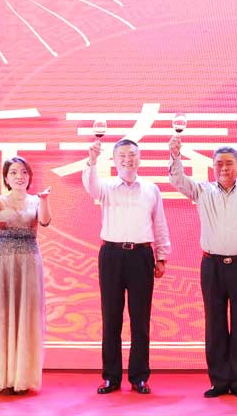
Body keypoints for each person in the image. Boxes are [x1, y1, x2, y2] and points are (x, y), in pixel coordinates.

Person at [168, 134, 237, 399]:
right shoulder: (202, 191)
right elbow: (178, 180)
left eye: (228, 163)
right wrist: (175, 156)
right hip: (211, 265)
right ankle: (218, 380)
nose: (223, 168)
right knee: (214, 323)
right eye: (219, 164)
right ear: (213, 166)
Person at [83, 139, 170, 395]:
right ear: (114, 159)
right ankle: (111, 377)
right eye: (121, 155)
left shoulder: (151, 189)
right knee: (111, 317)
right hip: (111, 254)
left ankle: (139, 376)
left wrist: (162, 256)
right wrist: (91, 161)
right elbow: (90, 187)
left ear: (139, 158)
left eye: (132, 155)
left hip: (141, 255)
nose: (127, 160)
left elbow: (160, 223)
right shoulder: (106, 187)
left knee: (140, 319)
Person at [0, 156, 51, 395]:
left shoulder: (36, 200)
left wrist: (45, 200)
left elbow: (45, 222)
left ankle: (21, 376)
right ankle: (1, 375)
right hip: (3, 263)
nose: (19, 176)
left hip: (29, 263)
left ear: (29, 176)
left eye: (23, 172)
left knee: (26, 314)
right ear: (6, 178)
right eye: (13, 172)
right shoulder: (0, 200)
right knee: (2, 315)